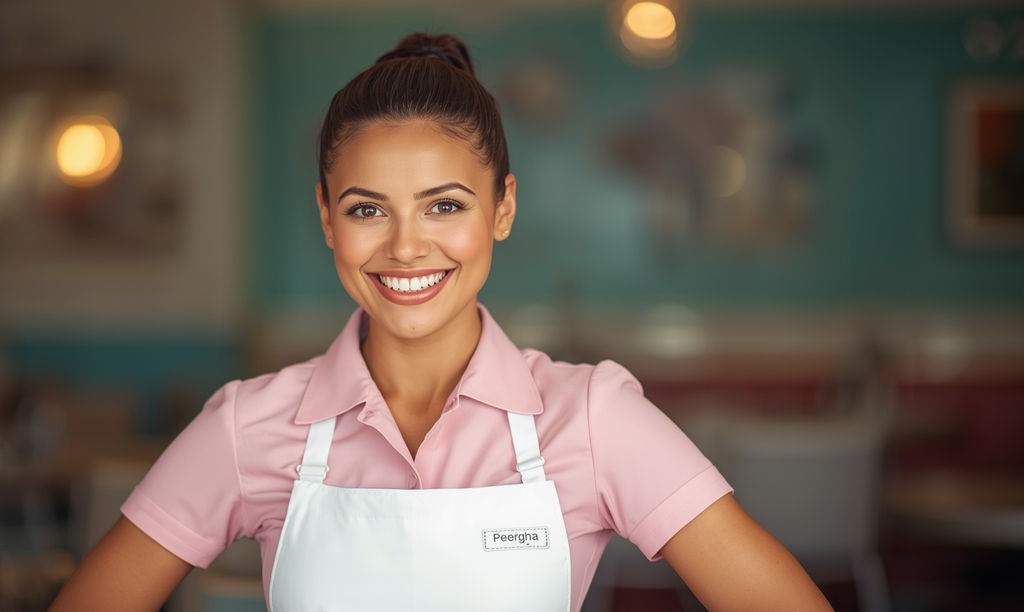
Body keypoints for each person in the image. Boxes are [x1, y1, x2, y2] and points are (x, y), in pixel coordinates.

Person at [51, 32, 832, 612]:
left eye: (445, 206)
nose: (405, 246)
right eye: (367, 210)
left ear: (504, 208)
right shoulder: (246, 426)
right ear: (327, 219)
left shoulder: (592, 417)